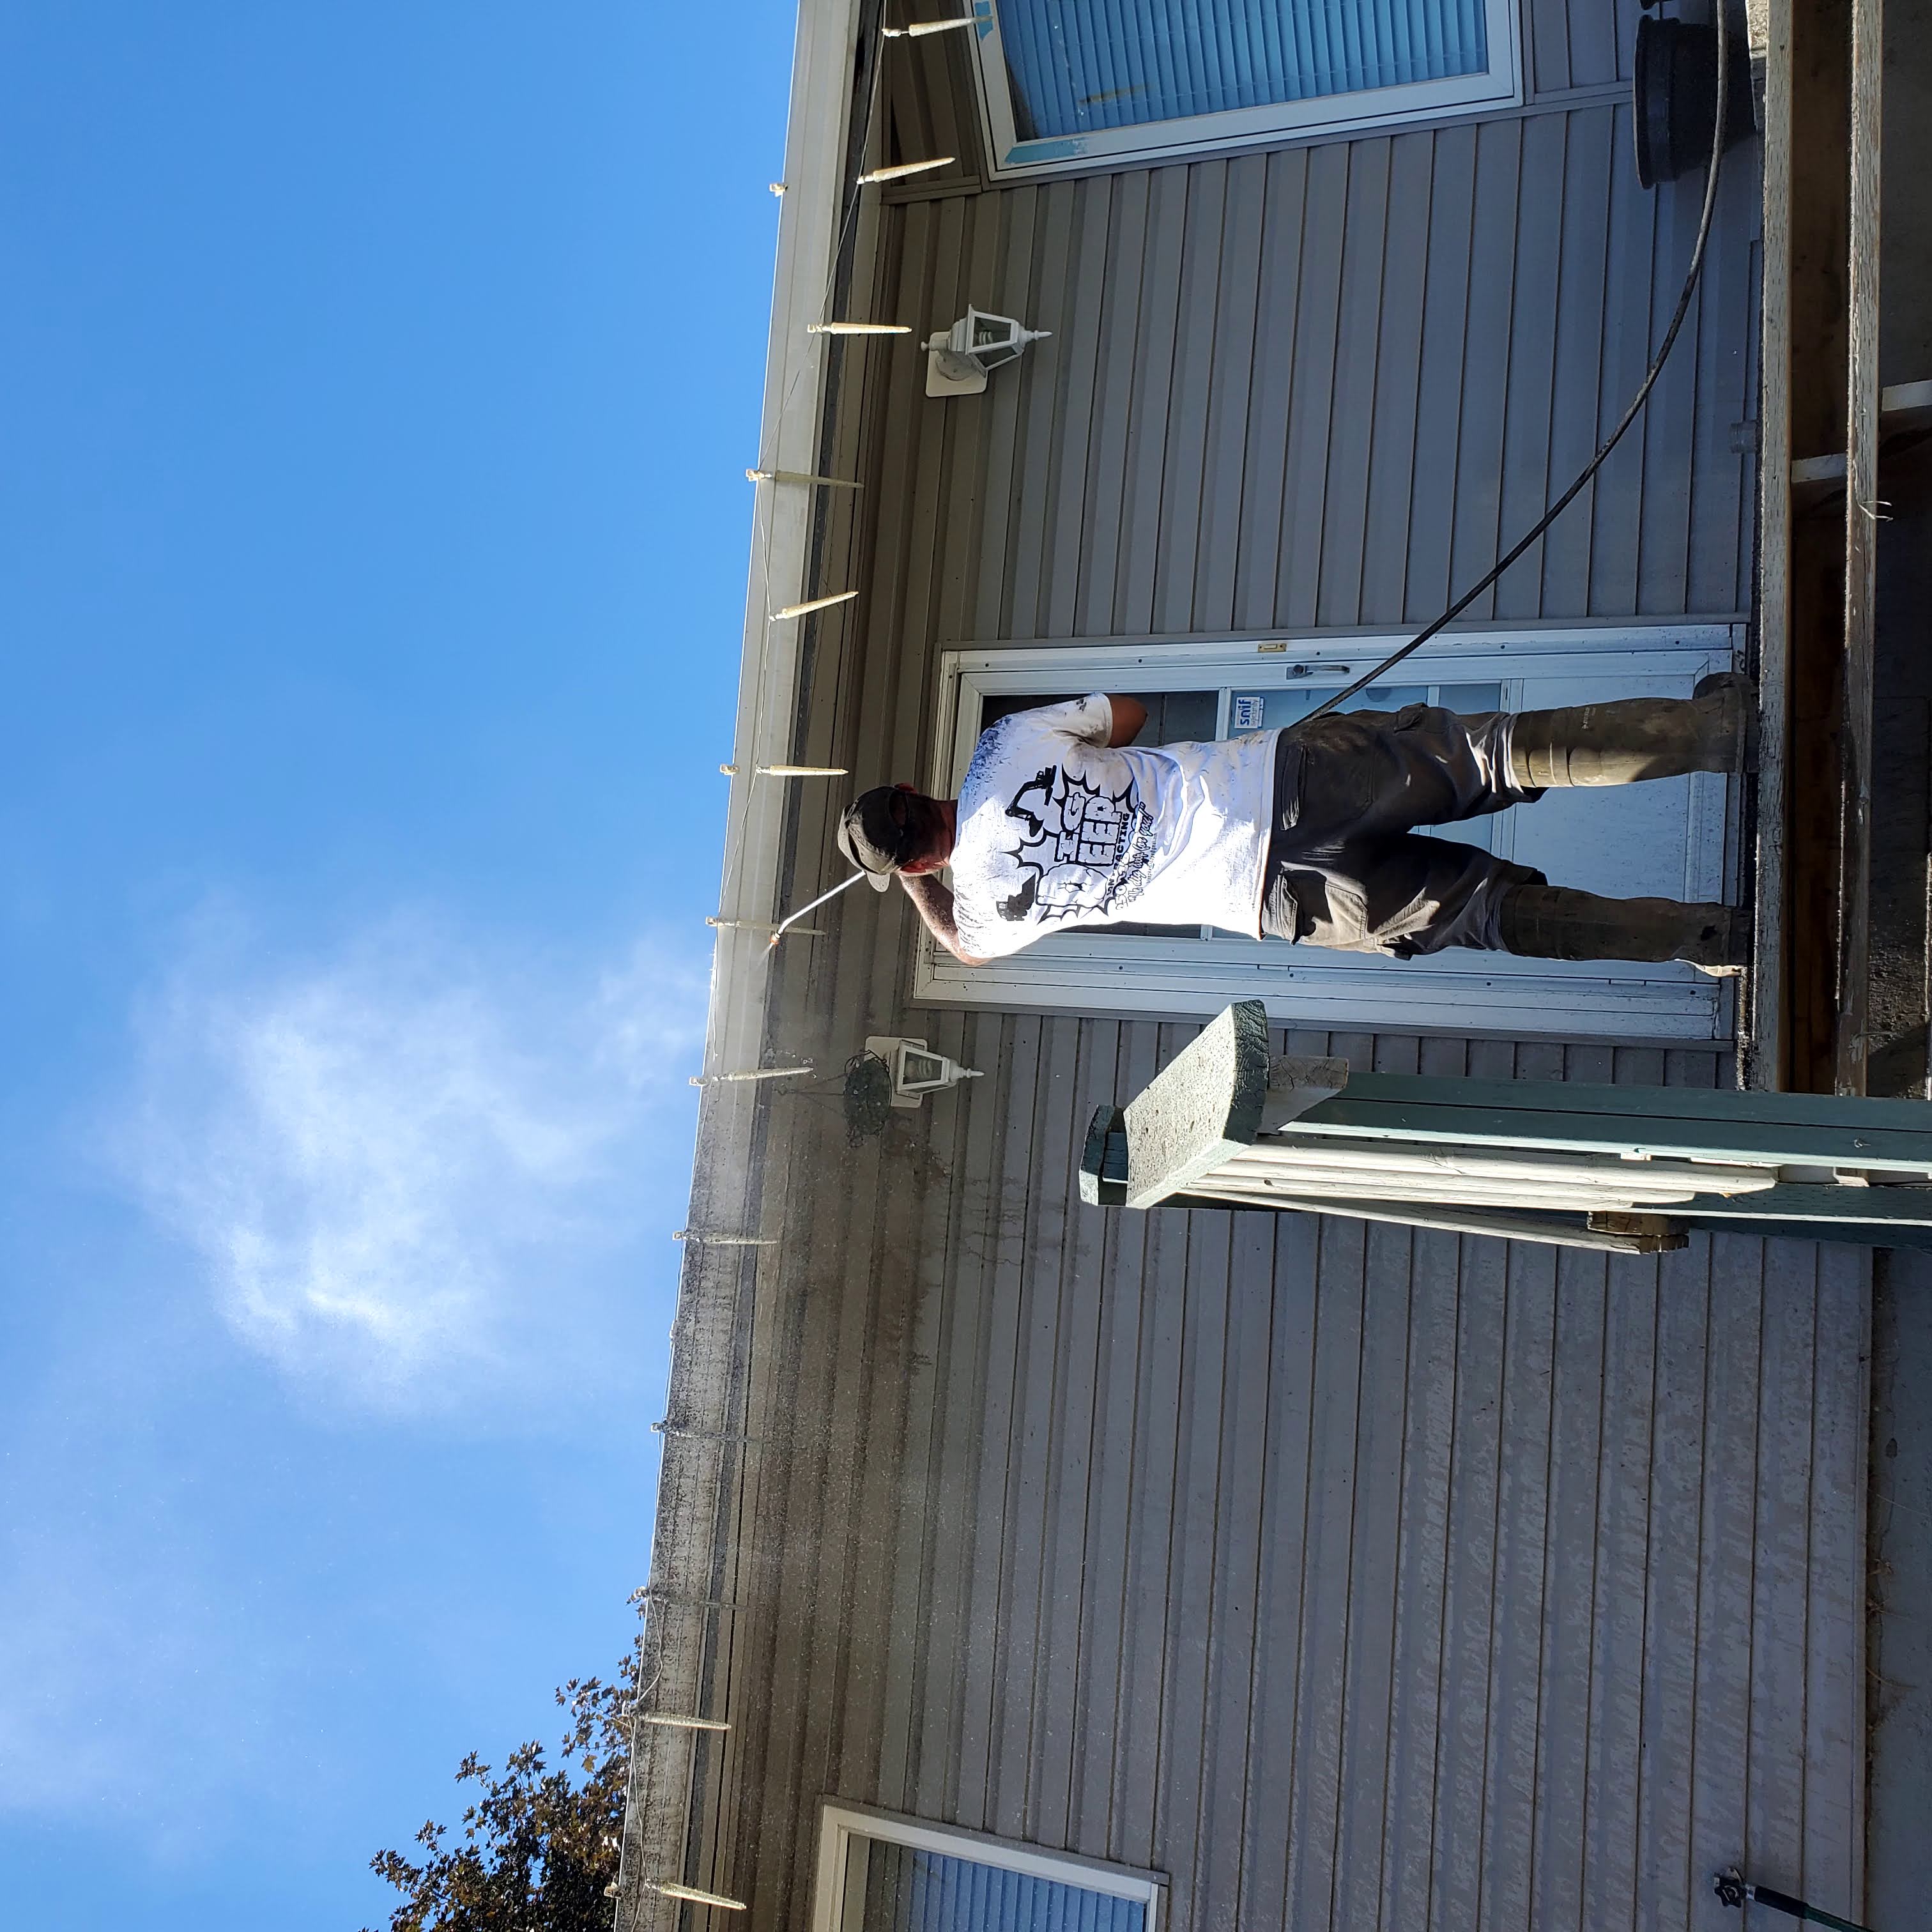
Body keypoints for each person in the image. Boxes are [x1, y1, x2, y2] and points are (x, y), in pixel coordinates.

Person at [833, 678, 1755, 971]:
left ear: (917, 859)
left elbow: (963, 951)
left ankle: (1705, 935)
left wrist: (918, 883)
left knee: (1486, 915)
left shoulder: (989, 904)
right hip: (1286, 781)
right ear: (919, 787)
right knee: (1493, 755)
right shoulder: (1003, 745)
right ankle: (1711, 732)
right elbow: (1130, 714)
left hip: (1277, 898)